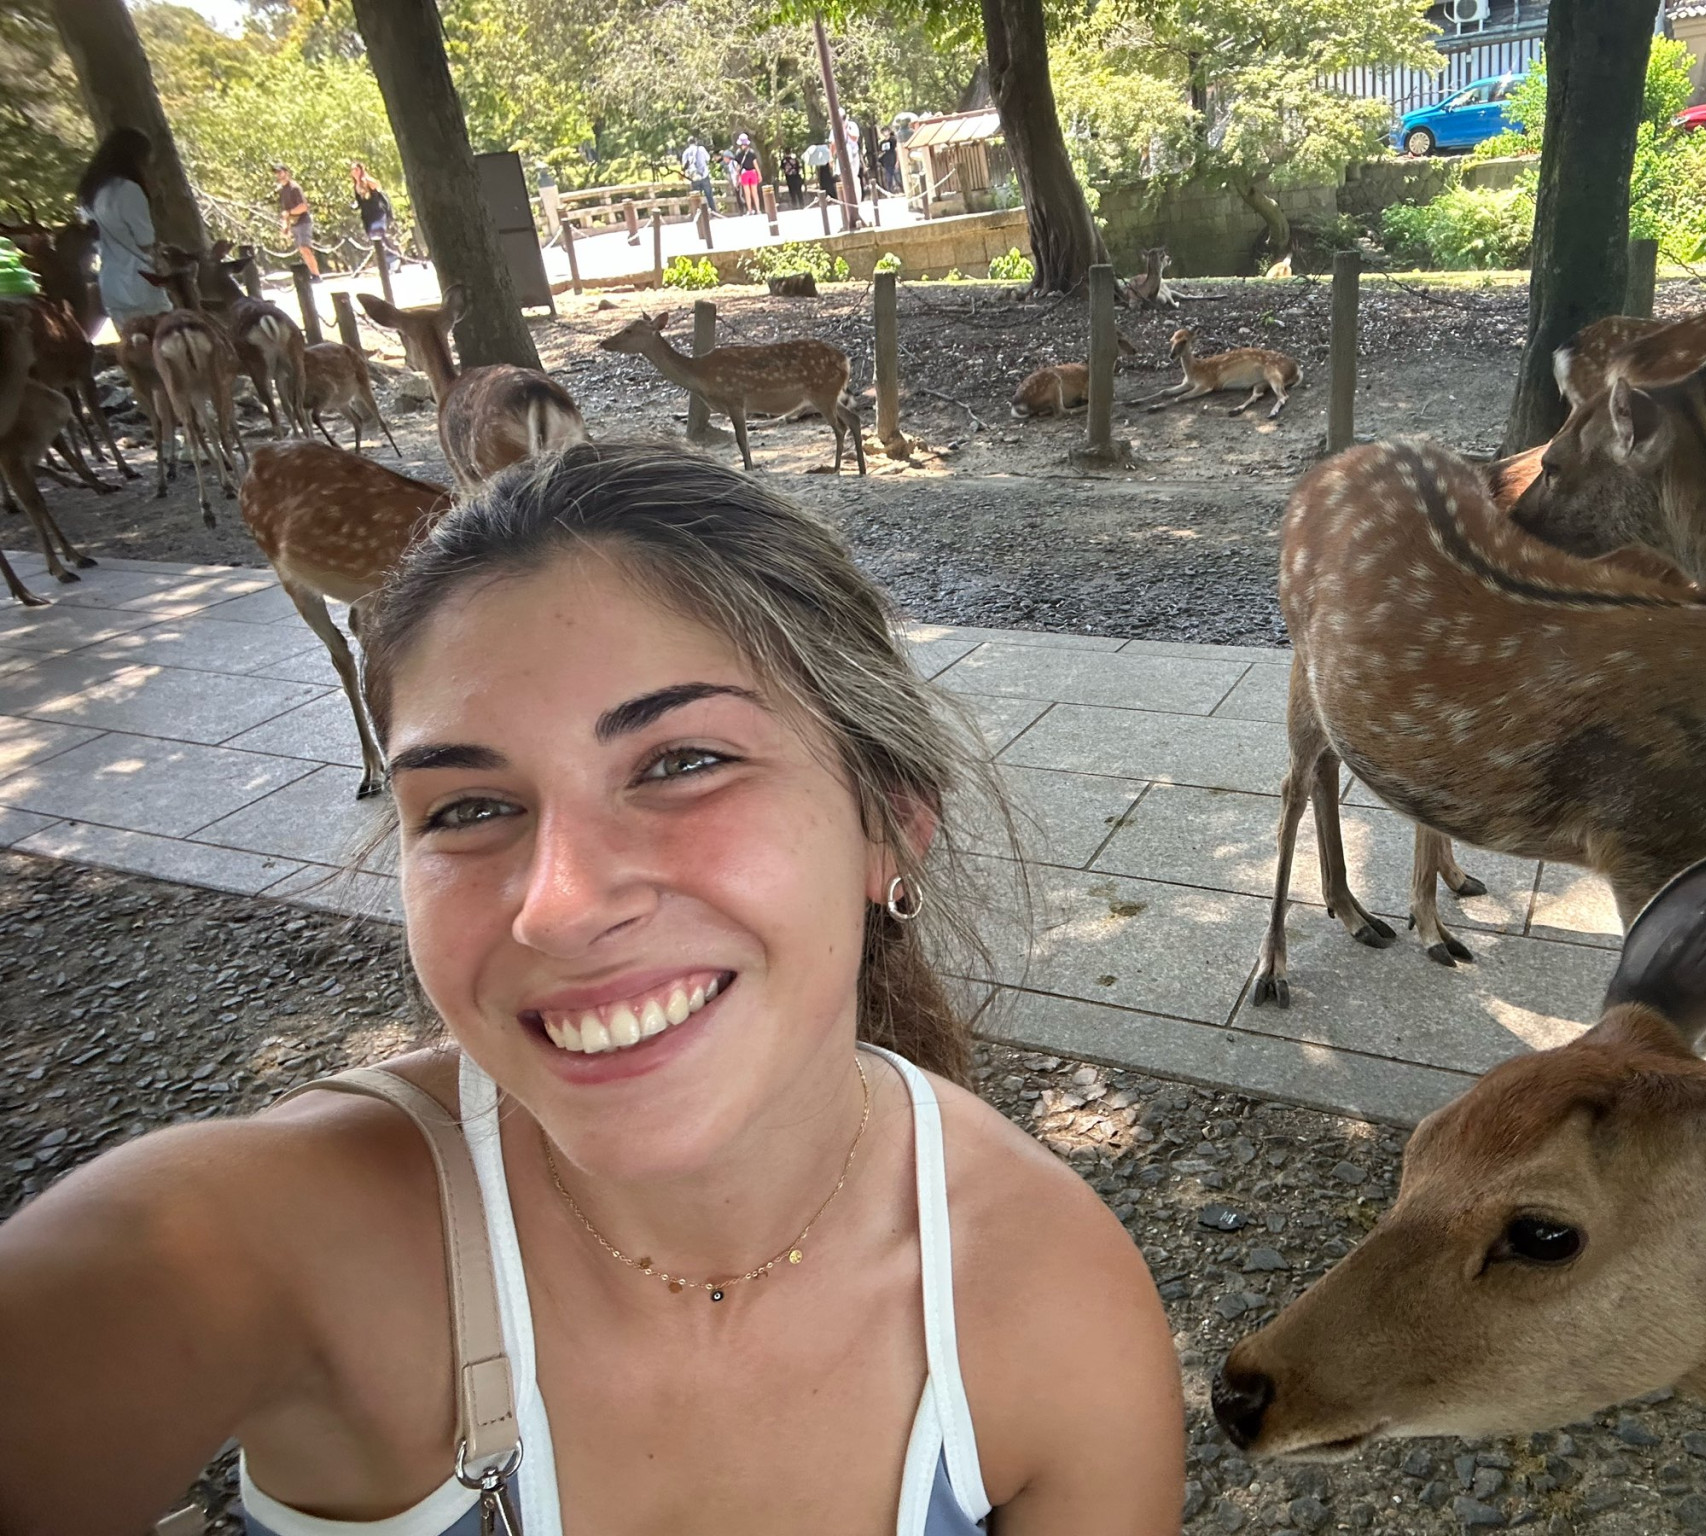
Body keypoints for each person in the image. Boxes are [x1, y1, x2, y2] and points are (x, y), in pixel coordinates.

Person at [0, 444, 1185, 1535]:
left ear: (890, 827)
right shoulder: (253, 1238)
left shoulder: (1048, 1299)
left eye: (682, 762)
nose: (555, 906)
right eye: (467, 807)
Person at [74, 127, 170, 338]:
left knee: (132, 345)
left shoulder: (89, 194)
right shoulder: (129, 190)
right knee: (163, 341)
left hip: (110, 282)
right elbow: (145, 241)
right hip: (141, 282)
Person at [274, 163, 319, 277]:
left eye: (280, 172)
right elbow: (285, 211)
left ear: (286, 173)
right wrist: (286, 226)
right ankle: (312, 274)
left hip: (303, 222)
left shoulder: (294, 188)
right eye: (276, 173)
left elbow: (303, 207)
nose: (278, 175)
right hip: (294, 224)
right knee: (302, 250)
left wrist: (289, 213)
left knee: (305, 248)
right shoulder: (283, 191)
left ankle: (316, 275)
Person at [349, 161, 395, 266]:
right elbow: (360, 201)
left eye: (356, 169)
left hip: (377, 212)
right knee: (373, 236)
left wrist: (366, 180)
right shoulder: (355, 185)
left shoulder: (368, 181)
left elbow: (378, 189)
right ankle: (386, 263)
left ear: (361, 170)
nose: (354, 172)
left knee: (380, 233)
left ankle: (393, 258)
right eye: (353, 170)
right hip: (367, 215)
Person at [682, 136, 718, 215]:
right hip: (704, 174)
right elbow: (708, 158)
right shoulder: (701, 149)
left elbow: (684, 166)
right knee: (709, 195)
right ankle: (713, 212)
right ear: (695, 142)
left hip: (694, 176)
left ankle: (698, 214)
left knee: (696, 197)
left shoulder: (686, 152)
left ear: (688, 143)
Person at [734, 133, 762, 216]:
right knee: (755, 192)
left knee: (747, 193)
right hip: (752, 173)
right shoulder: (751, 152)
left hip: (744, 174)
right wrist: (759, 174)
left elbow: (738, 167)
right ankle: (758, 210)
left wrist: (738, 177)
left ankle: (749, 210)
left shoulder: (738, 153)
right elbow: (755, 164)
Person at [804, 139, 837, 204]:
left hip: (824, 173)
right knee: (827, 185)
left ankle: (829, 197)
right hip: (826, 173)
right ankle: (829, 197)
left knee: (826, 185)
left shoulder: (822, 156)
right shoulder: (825, 154)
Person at [879, 129, 901, 195]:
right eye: (883, 131)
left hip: (893, 160)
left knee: (898, 177)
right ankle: (890, 192)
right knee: (889, 179)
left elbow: (896, 150)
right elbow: (880, 152)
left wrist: (897, 161)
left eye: (886, 131)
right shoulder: (881, 143)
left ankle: (901, 190)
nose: (885, 132)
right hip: (886, 162)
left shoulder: (893, 140)